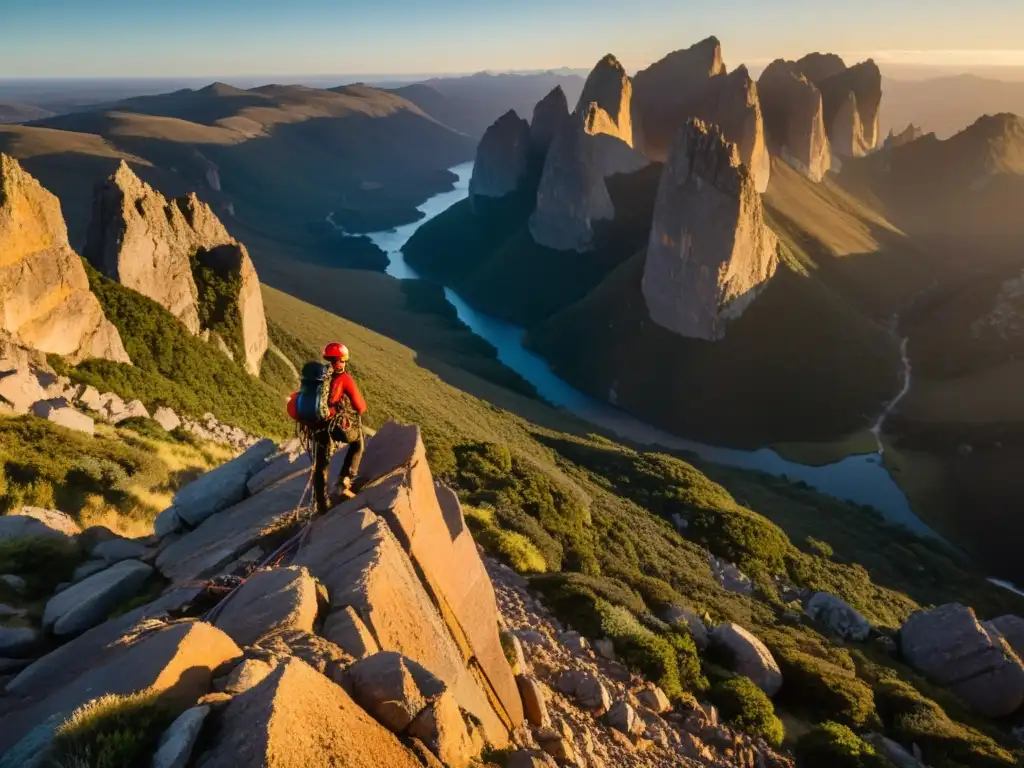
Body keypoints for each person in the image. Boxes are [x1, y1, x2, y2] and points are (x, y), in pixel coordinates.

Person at [312, 341, 367, 513]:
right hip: (334, 425)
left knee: (321, 464)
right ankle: (344, 479)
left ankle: (321, 504)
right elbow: (361, 407)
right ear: (341, 360)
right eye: (342, 360)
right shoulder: (344, 378)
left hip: (316, 424)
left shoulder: (319, 376)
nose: (343, 363)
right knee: (357, 443)